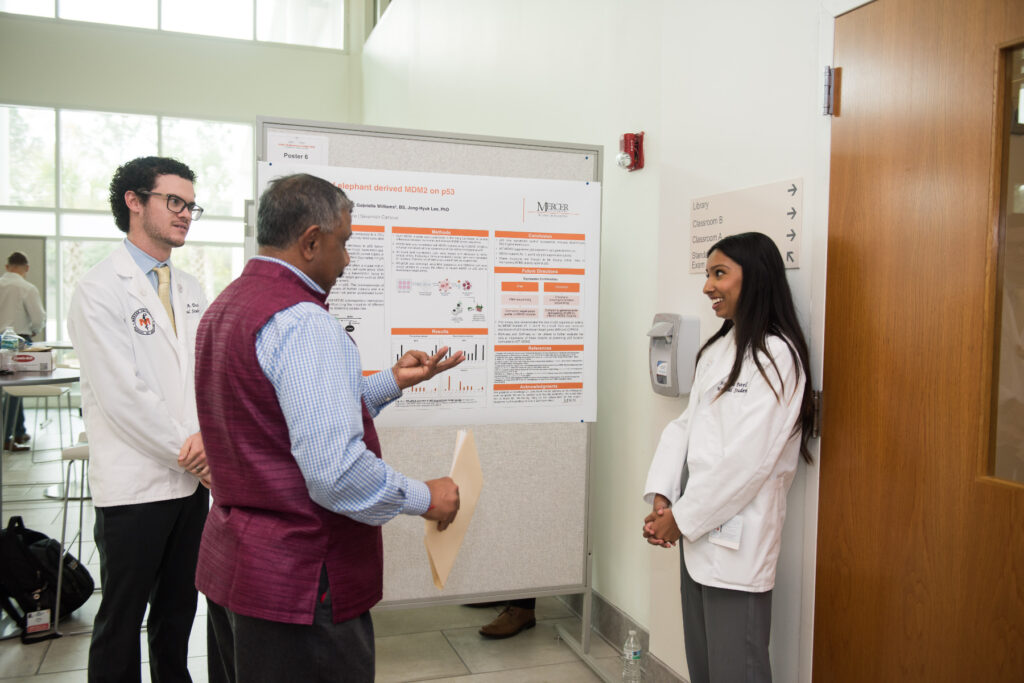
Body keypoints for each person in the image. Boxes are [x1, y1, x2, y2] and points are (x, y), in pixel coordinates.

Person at [194, 173, 463, 683]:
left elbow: (271, 415)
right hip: (300, 586)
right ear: (311, 240)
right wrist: (426, 497)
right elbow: (335, 472)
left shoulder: (227, 306)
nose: (346, 259)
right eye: (343, 242)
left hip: (237, 569)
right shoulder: (304, 322)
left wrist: (389, 382)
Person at [642, 232, 813, 683]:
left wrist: (681, 517)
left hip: (738, 544)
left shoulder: (778, 357)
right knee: (705, 667)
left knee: (738, 669)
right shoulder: (719, 350)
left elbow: (748, 463)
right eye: (707, 274)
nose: (707, 287)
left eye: (720, 274)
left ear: (754, 279)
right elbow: (685, 426)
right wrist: (662, 496)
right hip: (698, 533)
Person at [67, 156, 211, 683]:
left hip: (193, 483)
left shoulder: (192, 288)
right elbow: (123, 395)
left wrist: (204, 446)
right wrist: (191, 449)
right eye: (174, 201)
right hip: (135, 489)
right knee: (121, 621)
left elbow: (202, 377)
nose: (185, 214)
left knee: (178, 613)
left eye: (191, 205)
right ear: (134, 201)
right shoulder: (100, 289)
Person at [0, 250, 47, 450]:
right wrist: (34, 331)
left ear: (6, 266)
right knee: (14, 389)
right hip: (16, 341)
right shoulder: (27, 288)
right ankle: (6, 436)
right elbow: (38, 319)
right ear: (26, 268)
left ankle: (18, 432)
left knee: (9, 390)